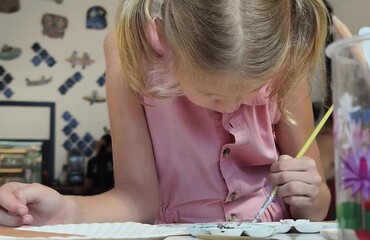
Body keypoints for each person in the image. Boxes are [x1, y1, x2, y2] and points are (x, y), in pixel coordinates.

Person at [0, 0, 331, 226]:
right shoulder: (131, 54)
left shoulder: (286, 57)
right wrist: (64, 209)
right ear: (165, 40)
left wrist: (310, 196)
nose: (233, 107)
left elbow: (318, 207)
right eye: (213, 94)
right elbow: (136, 199)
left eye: (252, 93)